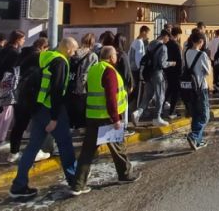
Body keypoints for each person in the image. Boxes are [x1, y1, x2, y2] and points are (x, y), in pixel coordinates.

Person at [9, 37, 79, 200]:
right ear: (68, 49)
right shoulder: (61, 62)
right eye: (74, 50)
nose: (74, 53)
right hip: (50, 109)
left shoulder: (46, 55)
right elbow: (56, 91)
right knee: (65, 144)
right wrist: (54, 118)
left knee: (32, 147)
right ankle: (75, 181)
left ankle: (18, 185)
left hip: (37, 107)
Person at [69, 46, 142, 196]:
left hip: (93, 116)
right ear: (111, 57)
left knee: (87, 152)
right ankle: (125, 175)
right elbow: (111, 97)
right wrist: (115, 119)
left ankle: (78, 184)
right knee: (118, 148)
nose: (117, 57)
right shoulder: (109, 71)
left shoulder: (95, 69)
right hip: (107, 118)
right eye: (115, 55)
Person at [8, 38, 51, 164]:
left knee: (18, 125)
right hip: (31, 95)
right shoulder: (38, 57)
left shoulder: (22, 54)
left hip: (17, 93)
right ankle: (36, 151)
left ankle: (13, 153)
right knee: (37, 125)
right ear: (43, 47)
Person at [132, 30, 173, 127]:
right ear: (165, 36)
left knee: (147, 96)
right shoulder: (163, 47)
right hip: (157, 73)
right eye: (168, 37)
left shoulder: (151, 44)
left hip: (148, 73)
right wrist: (171, 63)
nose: (168, 40)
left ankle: (137, 113)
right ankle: (157, 118)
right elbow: (162, 63)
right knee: (160, 95)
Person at [184, 32, 211, 150]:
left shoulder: (186, 52)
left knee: (195, 114)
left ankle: (197, 141)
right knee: (205, 115)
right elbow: (208, 71)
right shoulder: (202, 55)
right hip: (200, 87)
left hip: (189, 87)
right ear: (200, 41)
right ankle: (194, 135)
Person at [66, 34, 99, 130]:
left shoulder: (72, 54)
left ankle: (70, 130)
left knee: (70, 114)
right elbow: (94, 74)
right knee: (82, 114)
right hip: (83, 89)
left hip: (70, 87)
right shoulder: (93, 56)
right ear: (92, 43)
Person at [165, 27, 183, 119]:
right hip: (176, 72)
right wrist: (181, 72)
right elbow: (180, 60)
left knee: (169, 90)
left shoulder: (167, 44)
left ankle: (160, 108)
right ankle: (172, 112)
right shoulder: (176, 45)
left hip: (168, 70)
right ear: (178, 34)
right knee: (175, 92)